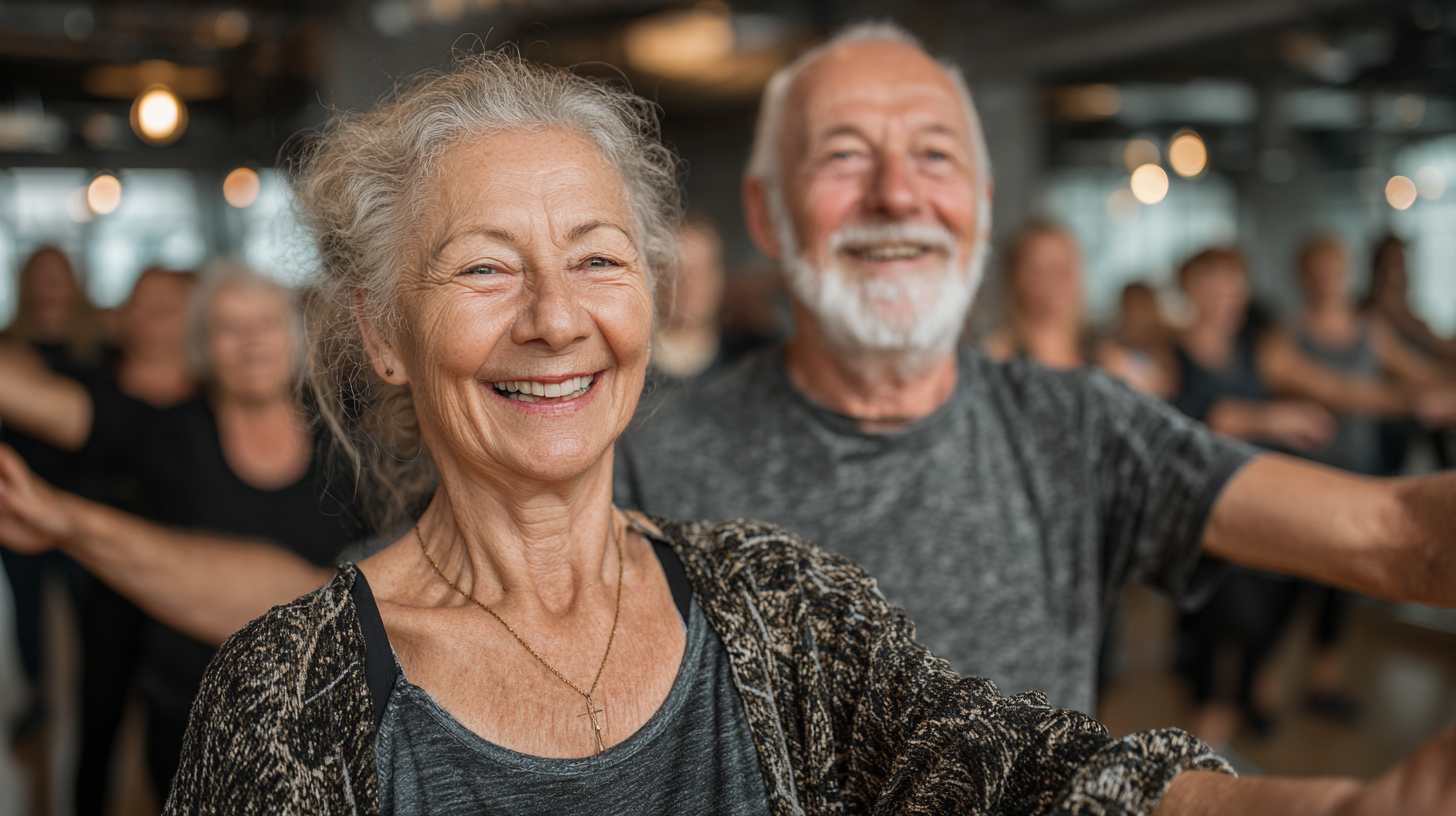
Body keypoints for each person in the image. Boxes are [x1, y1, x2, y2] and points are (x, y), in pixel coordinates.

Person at [11, 48, 1436, 815]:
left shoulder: (780, 604)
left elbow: (1037, 777)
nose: (556, 319)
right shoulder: (291, 700)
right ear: (382, 330)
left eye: (599, 260)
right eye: (485, 266)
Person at [611, 21, 1456, 723]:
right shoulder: (651, 461)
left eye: (935, 157)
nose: (897, 193)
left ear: (981, 205)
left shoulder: (1077, 425)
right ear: (764, 210)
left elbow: (1395, 534)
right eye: (842, 156)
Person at [0, 262, 364, 799]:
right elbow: (76, 412)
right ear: (202, 346)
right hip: (194, 716)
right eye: (228, 327)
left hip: (325, 716)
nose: (251, 341)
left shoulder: (348, 439)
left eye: (266, 321)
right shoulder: (172, 432)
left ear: (295, 333)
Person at [0, 247, 104, 748]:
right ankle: (40, 694)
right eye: (40, 280)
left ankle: (93, 693)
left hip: (83, 503)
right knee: (28, 606)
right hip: (17, 504)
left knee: (89, 605)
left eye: (57, 279)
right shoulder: (7, 347)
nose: (49, 289)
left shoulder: (97, 347)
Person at [982, 224, 1160, 393]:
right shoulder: (994, 358)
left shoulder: (1107, 357)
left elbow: (1154, 386)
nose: (1054, 281)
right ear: (1014, 278)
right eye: (1039, 270)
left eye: (1063, 269)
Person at [650, 220, 728, 379]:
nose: (689, 282)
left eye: (702, 268)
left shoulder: (747, 359)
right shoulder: (630, 372)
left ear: (720, 277)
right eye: (676, 268)